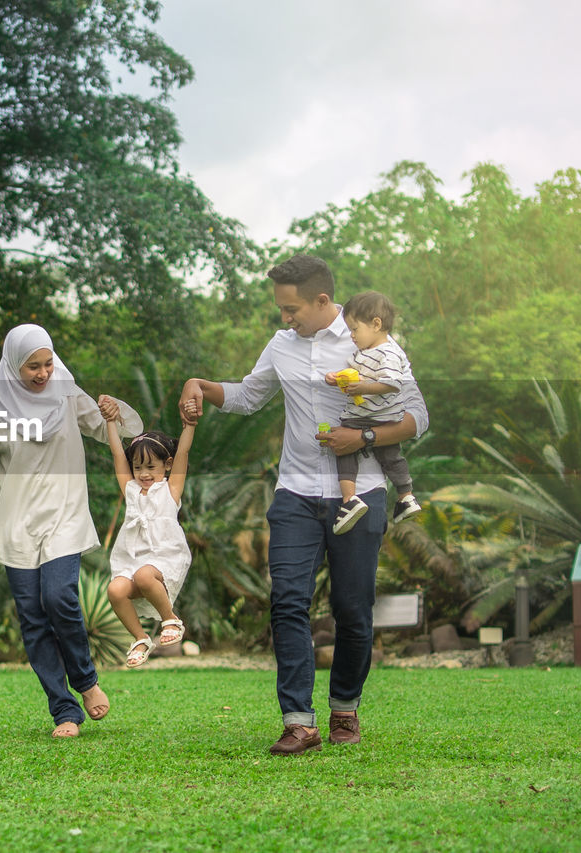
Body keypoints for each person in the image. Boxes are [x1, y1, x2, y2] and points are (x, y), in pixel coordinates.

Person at [178, 255, 428, 756]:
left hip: (362, 491)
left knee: (352, 610)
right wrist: (199, 386)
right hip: (293, 492)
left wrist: (361, 437)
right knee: (287, 602)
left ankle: (344, 709)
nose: (284, 317)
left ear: (321, 300)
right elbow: (249, 396)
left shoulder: (369, 341)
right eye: (280, 308)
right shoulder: (281, 345)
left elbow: (417, 417)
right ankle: (298, 722)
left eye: (291, 308)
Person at [0, 323, 143, 739]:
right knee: (33, 620)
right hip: (17, 524)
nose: (43, 373)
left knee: (59, 597)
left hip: (65, 515)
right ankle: (64, 710)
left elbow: (112, 427)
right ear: (12, 366)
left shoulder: (66, 393)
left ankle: (86, 680)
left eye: (47, 363)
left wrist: (114, 413)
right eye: (32, 367)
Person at [98, 396, 196, 667]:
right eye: (138, 467)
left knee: (144, 575)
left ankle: (171, 619)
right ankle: (141, 639)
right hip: (133, 559)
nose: (143, 473)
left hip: (165, 557)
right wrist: (110, 423)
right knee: (116, 590)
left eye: (150, 466)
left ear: (167, 464)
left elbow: (184, 454)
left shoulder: (170, 490)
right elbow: (118, 455)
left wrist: (189, 426)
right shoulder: (130, 491)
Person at [324, 290, 422, 535]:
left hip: (367, 416)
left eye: (355, 329)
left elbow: (392, 383)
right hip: (382, 418)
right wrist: (336, 378)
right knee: (391, 456)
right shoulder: (366, 353)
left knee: (344, 449)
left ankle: (349, 500)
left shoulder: (388, 352)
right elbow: (354, 374)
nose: (352, 336)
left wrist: (363, 387)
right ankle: (406, 498)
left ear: (376, 324)